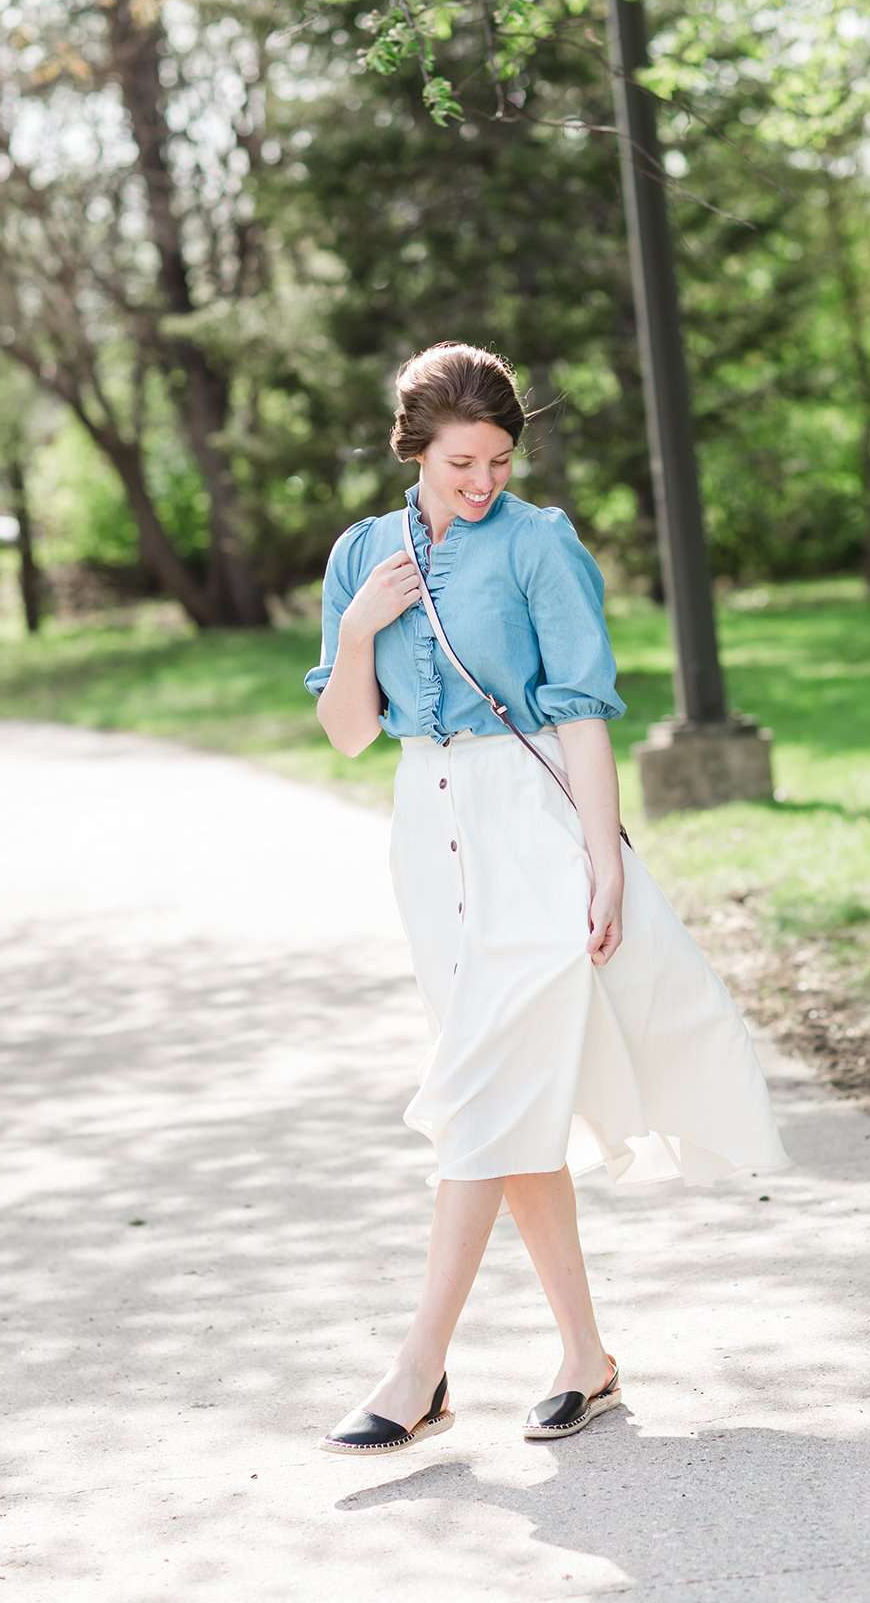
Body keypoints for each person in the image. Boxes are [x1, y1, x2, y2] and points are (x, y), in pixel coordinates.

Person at [303, 341, 792, 1456]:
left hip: (529, 825)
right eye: (462, 461)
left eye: (499, 461)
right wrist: (357, 629)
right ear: (414, 449)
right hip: (427, 831)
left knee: (482, 1087)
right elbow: (343, 733)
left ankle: (415, 1370)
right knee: (508, 1098)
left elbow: (580, 711)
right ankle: (586, 1358)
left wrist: (604, 857)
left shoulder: (538, 545)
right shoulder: (362, 556)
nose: (482, 482)